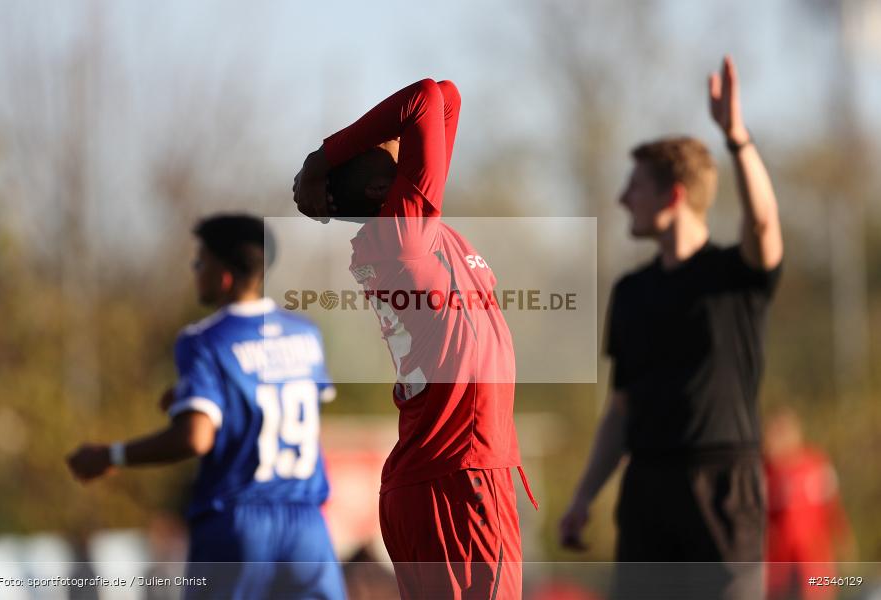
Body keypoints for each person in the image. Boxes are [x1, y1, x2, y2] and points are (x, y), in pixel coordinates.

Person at [293, 78, 535, 599]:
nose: (401, 139)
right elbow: (423, 98)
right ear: (380, 188)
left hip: (435, 473)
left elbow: (447, 96)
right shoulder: (403, 235)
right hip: (461, 474)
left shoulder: (409, 233)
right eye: (387, 145)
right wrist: (320, 160)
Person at [558, 55, 784, 600]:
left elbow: (762, 222)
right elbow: (621, 409)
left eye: (634, 186)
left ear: (673, 195)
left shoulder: (736, 275)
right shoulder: (631, 292)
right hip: (647, 491)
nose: (622, 199)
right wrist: (584, 495)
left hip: (723, 490)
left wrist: (737, 139)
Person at [66, 213, 346, 600]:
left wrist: (111, 455)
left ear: (224, 276)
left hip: (238, 520)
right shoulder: (306, 333)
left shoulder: (204, 340)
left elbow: (196, 438)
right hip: (307, 525)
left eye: (200, 263)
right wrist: (197, 396)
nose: (195, 271)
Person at [763, 407, 854, 600]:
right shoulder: (766, 472)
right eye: (774, 433)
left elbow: (833, 509)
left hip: (813, 560)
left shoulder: (816, 463)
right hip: (780, 565)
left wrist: (844, 542)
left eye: (783, 432)